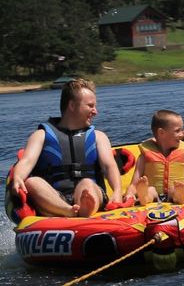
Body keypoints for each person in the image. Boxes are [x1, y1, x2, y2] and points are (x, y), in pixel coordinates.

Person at [7, 78, 122, 217]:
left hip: (90, 194)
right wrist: (18, 177)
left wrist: (117, 191)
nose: (95, 111)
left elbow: (109, 166)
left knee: (87, 184)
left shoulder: (99, 137)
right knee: (32, 182)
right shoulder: (41, 135)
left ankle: (84, 209)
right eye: (90, 106)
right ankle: (69, 211)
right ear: (72, 106)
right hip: (55, 198)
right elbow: (26, 161)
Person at [127, 110, 184, 204]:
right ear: (161, 133)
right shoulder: (144, 157)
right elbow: (134, 184)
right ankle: (144, 197)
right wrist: (129, 194)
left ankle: (180, 196)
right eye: (177, 131)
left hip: (174, 196)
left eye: (181, 130)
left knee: (174, 190)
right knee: (150, 190)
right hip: (154, 198)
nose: (182, 134)